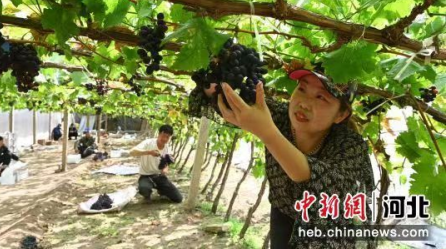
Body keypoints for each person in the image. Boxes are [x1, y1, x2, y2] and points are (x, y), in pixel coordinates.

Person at [205, 68, 376, 248]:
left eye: (321, 97)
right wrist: (216, 86)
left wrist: (267, 133)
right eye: (302, 89)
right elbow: (240, 103)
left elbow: (320, 181)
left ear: (341, 115)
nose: (304, 103)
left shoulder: (351, 146)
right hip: (283, 213)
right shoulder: (280, 115)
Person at [130, 125, 182, 203]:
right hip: (146, 176)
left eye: (167, 137)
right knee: (144, 188)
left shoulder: (167, 148)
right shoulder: (148, 143)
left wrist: (165, 169)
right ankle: (146, 195)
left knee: (178, 198)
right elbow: (132, 152)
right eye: (163, 136)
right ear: (159, 134)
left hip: (159, 176)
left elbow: (166, 164)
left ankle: (161, 191)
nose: (164, 139)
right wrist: (149, 152)